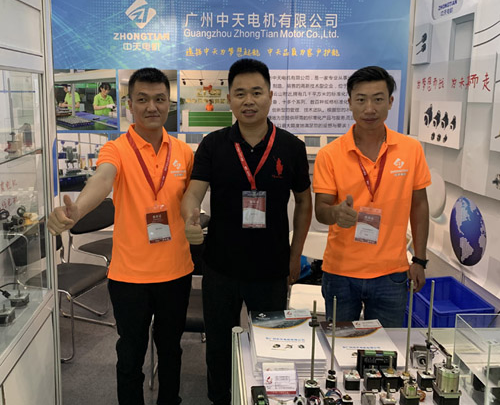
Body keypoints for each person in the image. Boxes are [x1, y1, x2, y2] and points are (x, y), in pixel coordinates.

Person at [48, 68, 194, 405]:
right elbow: (102, 179)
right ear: (129, 104)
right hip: (130, 275)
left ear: (169, 104)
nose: (151, 107)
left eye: (159, 99)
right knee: (130, 355)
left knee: (171, 350)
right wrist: (76, 211)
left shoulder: (184, 152)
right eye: (142, 99)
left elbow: (191, 198)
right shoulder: (116, 149)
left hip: (176, 271)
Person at [181, 58, 312, 405]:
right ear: (229, 99)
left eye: (256, 92)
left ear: (270, 95)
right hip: (220, 266)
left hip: (271, 267)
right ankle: (219, 398)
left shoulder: (291, 147)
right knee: (218, 344)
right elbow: (193, 193)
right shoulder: (213, 144)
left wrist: (295, 254)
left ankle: (265, 398)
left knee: (271, 343)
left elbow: (304, 201)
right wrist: (189, 218)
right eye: (240, 93)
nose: (248, 101)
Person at [313, 65, 431, 328]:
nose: (369, 108)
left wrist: (420, 259)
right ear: (349, 103)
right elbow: (321, 210)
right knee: (340, 345)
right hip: (341, 273)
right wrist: (336, 213)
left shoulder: (411, 149)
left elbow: (420, 205)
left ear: (390, 102)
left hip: (392, 273)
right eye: (361, 100)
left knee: (386, 348)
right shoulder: (329, 154)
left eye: (378, 99)